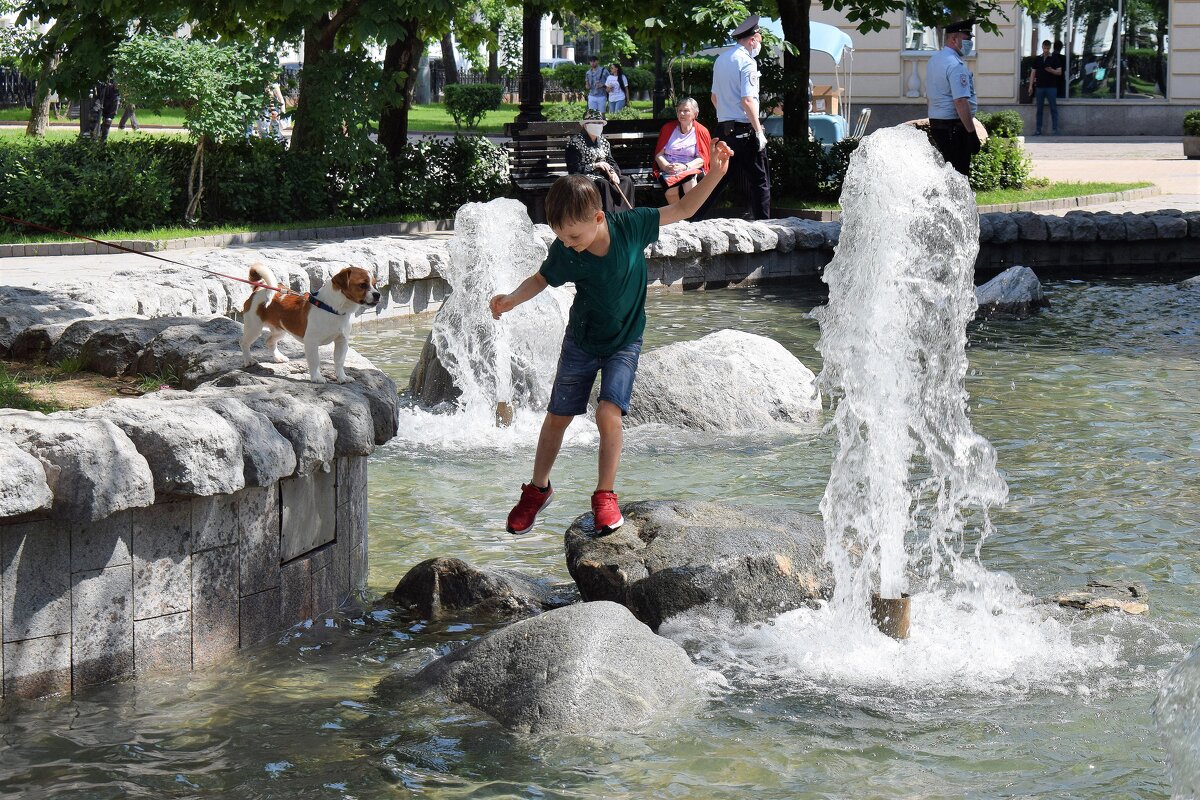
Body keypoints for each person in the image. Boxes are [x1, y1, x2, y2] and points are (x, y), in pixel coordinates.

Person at [490, 142, 733, 536]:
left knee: (608, 414)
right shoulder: (566, 251)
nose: (569, 244)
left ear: (599, 217)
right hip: (582, 341)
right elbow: (540, 278)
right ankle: (538, 490)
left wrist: (717, 174)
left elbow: (684, 209)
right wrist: (511, 300)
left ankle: (604, 495)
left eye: (574, 235)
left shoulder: (631, 227)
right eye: (562, 238)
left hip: (624, 341)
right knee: (557, 418)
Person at [710, 15, 771, 220]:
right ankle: (765, 225)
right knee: (760, 180)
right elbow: (748, 101)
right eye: (759, 41)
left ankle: (694, 216)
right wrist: (759, 131)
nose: (758, 46)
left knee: (719, 179)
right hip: (744, 130)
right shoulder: (747, 62)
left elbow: (714, 98)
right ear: (752, 39)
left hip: (724, 128)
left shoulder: (722, 59)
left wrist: (726, 115)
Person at [926, 19, 981, 176]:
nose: (969, 43)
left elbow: (929, 96)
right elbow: (960, 101)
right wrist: (971, 133)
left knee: (945, 174)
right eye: (966, 38)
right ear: (953, 39)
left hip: (937, 124)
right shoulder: (955, 65)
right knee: (959, 175)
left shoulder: (934, 60)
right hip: (954, 128)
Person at [565, 109, 636, 212]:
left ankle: (624, 215)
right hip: (584, 176)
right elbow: (574, 169)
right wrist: (595, 165)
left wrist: (613, 173)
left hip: (604, 174)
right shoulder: (575, 143)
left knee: (626, 181)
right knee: (603, 183)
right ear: (585, 125)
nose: (598, 125)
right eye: (594, 123)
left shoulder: (604, 142)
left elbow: (611, 161)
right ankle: (607, 216)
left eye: (600, 123)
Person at [653, 97, 711, 204]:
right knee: (672, 190)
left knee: (689, 181)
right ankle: (678, 216)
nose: (682, 113)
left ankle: (690, 215)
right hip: (669, 169)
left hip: (691, 168)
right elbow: (659, 155)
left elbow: (702, 159)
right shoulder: (668, 128)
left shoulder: (701, 131)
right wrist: (666, 166)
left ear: (695, 114)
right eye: (680, 110)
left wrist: (685, 167)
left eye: (686, 110)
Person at [1028, 39, 1063, 135]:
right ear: (1042, 47)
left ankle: (1055, 130)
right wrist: (1030, 86)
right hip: (1040, 87)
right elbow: (1033, 73)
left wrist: (1051, 70)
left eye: (1047, 48)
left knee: (1053, 108)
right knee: (1039, 109)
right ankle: (1038, 130)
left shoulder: (1054, 58)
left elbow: (1059, 72)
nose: (1046, 50)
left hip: (1051, 87)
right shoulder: (1038, 59)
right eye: (1044, 48)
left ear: (1050, 48)